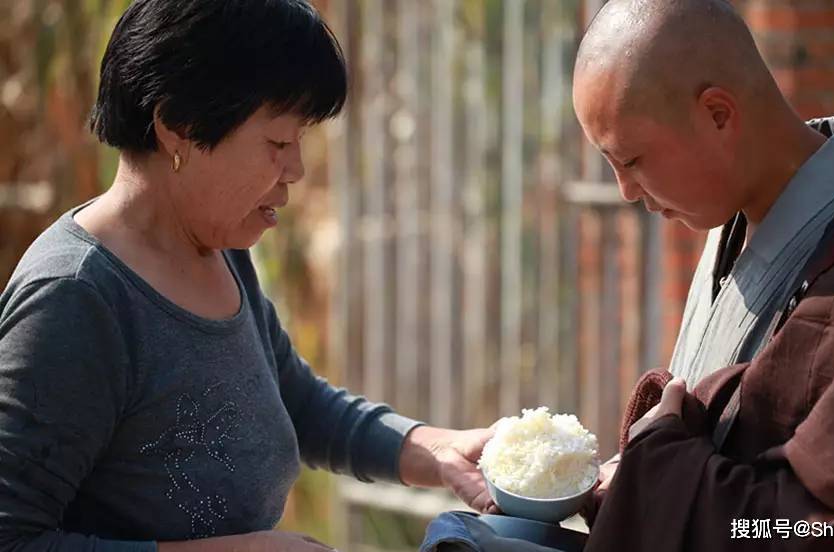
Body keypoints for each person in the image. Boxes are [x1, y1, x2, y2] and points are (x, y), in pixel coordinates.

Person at [0, 1, 495, 551]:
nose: (297, 171)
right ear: (179, 127)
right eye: (279, 143)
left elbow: (292, 399)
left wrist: (435, 450)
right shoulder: (77, 298)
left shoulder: (217, 247)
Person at [572, 0, 834, 550]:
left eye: (630, 161)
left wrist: (664, 467)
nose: (626, 191)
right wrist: (632, 476)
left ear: (718, 114)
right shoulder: (733, 227)